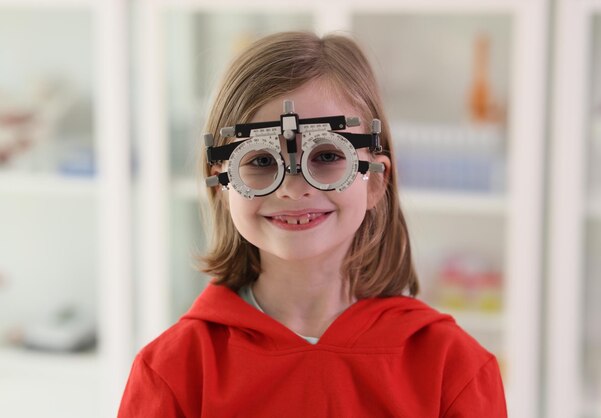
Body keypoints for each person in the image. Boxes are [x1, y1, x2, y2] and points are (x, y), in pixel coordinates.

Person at [118, 31, 507, 417]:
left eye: (325, 156)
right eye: (261, 161)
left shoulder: (452, 368)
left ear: (375, 181)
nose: (292, 188)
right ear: (223, 185)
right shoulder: (173, 371)